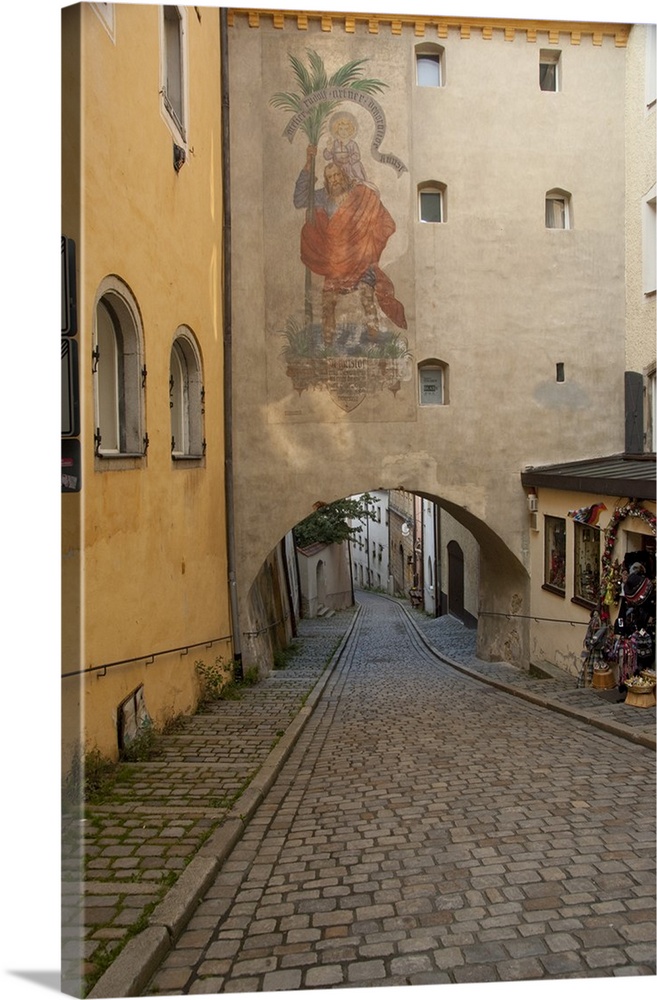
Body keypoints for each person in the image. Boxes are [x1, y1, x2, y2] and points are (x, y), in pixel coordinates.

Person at [294, 145, 407, 344]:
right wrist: (308, 163)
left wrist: (370, 245)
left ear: (344, 175)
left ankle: (373, 342)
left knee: (367, 297)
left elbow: (381, 218)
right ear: (326, 181)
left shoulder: (359, 193)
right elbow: (299, 199)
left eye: (337, 175)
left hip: (361, 260)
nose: (335, 180)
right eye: (330, 177)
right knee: (328, 303)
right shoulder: (321, 197)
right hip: (335, 262)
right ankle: (328, 346)